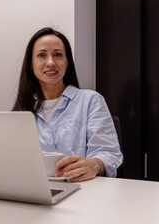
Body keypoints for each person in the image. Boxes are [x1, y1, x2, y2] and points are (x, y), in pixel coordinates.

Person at [12, 27, 123, 182]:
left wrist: (93, 165)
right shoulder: (21, 110)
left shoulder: (90, 100)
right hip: (34, 192)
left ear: (67, 62)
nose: (50, 62)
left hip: (83, 191)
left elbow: (109, 153)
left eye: (58, 55)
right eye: (41, 55)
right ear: (31, 63)